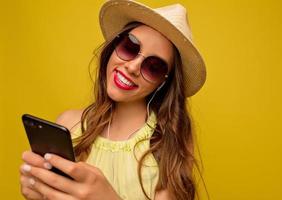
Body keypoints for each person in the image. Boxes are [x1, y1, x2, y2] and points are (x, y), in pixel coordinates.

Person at [19, 0, 207, 199]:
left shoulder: (169, 142)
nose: (133, 67)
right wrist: (39, 191)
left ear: (162, 82)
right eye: (130, 47)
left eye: (153, 67)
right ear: (114, 46)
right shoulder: (69, 124)